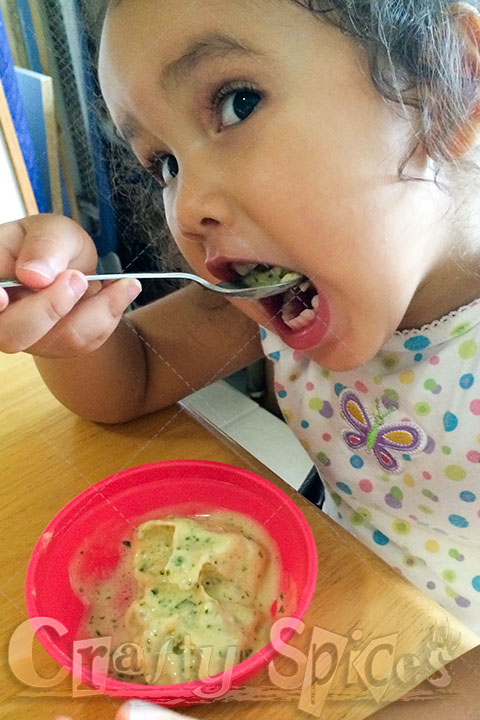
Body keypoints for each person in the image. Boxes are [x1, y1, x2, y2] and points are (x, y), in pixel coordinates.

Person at [2, 0, 480, 647]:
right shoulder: (281, 295)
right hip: (336, 610)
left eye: (238, 103)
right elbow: (131, 381)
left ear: (449, 73)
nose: (189, 205)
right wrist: (70, 333)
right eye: (165, 163)